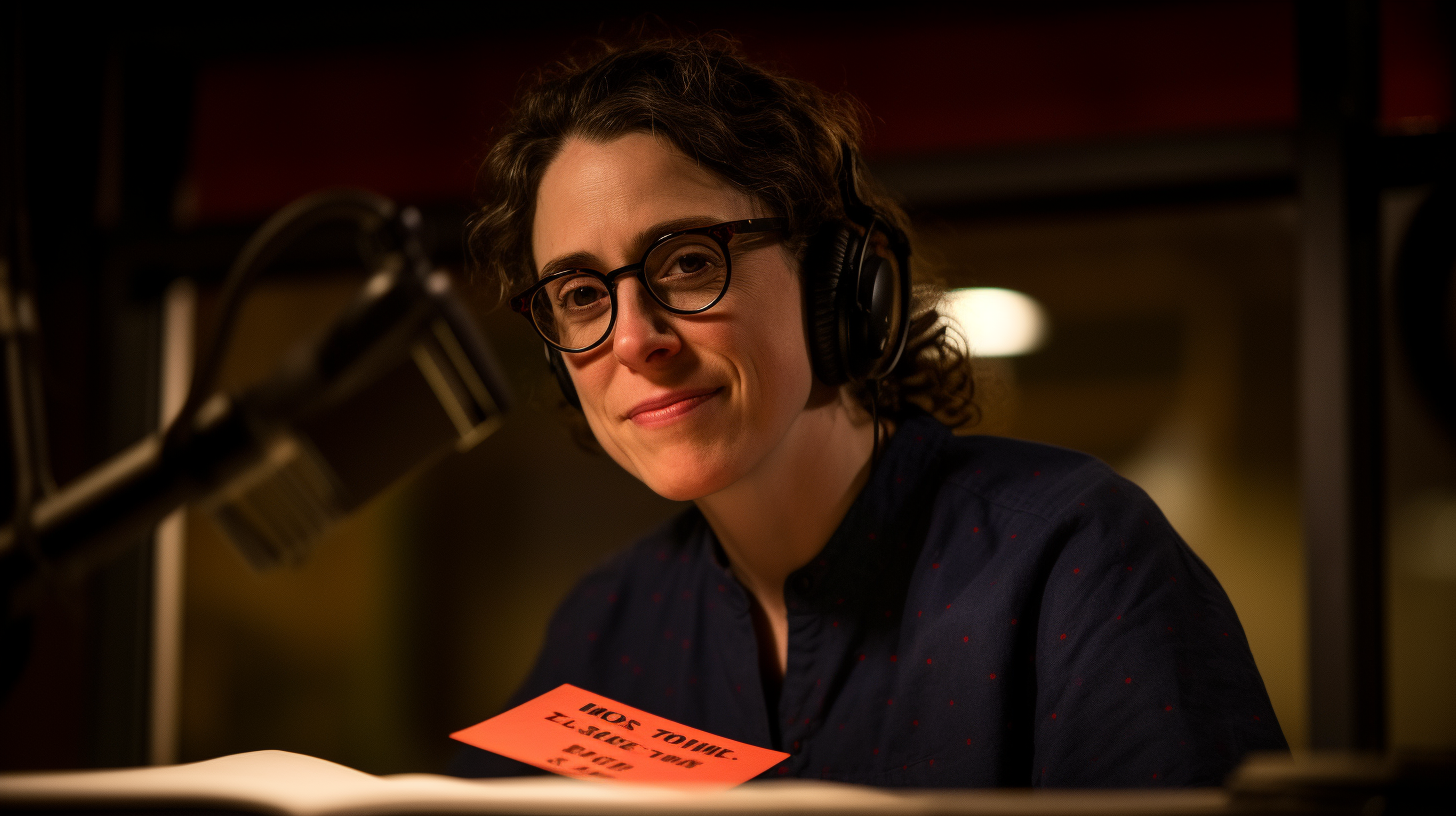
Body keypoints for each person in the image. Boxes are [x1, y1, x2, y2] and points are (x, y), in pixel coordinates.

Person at [450, 36, 1287, 787]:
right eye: (582, 294)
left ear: (833, 282)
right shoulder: (605, 629)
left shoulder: (1075, 560)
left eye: (689, 262)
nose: (634, 340)